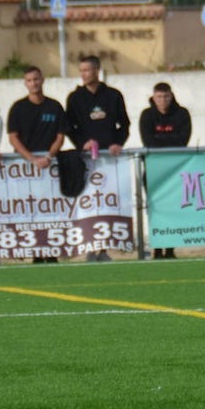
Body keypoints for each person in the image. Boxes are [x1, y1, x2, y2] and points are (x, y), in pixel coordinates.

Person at [66, 55, 129, 261]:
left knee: (108, 202)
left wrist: (117, 143)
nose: (84, 74)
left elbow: (124, 125)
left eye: (88, 70)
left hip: (110, 160)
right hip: (86, 159)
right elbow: (69, 127)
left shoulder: (113, 95)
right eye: (81, 70)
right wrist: (80, 144)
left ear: (97, 71)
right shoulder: (75, 98)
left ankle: (105, 248)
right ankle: (90, 246)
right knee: (88, 202)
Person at [8, 67, 69, 264]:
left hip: (50, 166)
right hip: (26, 167)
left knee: (51, 209)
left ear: (42, 80)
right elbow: (13, 138)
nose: (33, 83)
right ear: (25, 83)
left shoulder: (55, 106)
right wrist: (32, 159)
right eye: (29, 80)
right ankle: (35, 251)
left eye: (36, 79)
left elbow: (60, 136)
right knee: (30, 209)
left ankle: (51, 250)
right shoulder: (18, 108)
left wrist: (49, 156)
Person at [139, 81, 192, 259]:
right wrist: (169, 140)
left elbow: (183, 140)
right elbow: (148, 141)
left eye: (166, 96)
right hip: (153, 169)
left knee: (173, 208)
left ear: (171, 96)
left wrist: (160, 140)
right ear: (154, 98)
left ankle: (170, 248)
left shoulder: (182, 114)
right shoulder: (147, 115)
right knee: (154, 209)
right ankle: (157, 247)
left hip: (175, 169)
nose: (162, 100)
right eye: (159, 97)